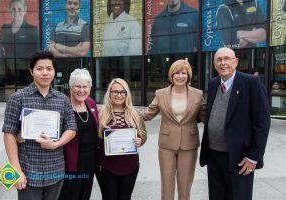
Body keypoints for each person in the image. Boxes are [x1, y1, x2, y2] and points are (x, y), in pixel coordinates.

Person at [2, 50, 77, 200]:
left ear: (54, 71)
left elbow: (71, 128)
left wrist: (56, 144)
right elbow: (9, 133)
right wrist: (16, 170)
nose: (45, 73)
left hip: (55, 170)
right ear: (31, 71)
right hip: (27, 171)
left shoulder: (62, 99)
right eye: (40, 68)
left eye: (49, 69)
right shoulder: (17, 98)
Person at [199, 47, 270, 200]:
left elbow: (262, 123)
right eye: (219, 59)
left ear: (236, 62)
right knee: (216, 196)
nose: (223, 63)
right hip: (213, 155)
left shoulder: (251, 83)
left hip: (240, 158)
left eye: (227, 58)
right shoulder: (213, 83)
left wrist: (253, 157)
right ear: (214, 64)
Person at [141, 59, 204, 200]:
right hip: (167, 145)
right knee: (167, 186)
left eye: (184, 73)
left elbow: (205, 117)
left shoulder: (198, 94)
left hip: (189, 144)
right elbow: (147, 115)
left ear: (188, 75)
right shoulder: (161, 93)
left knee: (185, 187)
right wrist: (124, 113)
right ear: (171, 75)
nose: (180, 76)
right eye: (177, 73)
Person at [98, 78, 147, 200]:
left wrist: (140, 140)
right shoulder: (101, 113)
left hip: (130, 165)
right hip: (107, 166)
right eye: (115, 92)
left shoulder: (135, 114)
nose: (119, 95)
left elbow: (143, 134)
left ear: (127, 94)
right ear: (109, 93)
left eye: (122, 92)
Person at [59, 69, 98, 200]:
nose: (81, 90)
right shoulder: (64, 106)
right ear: (71, 87)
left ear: (90, 88)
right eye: (77, 86)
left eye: (85, 86)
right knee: (70, 194)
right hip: (71, 161)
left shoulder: (91, 103)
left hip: (90, 160)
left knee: (85, 194)